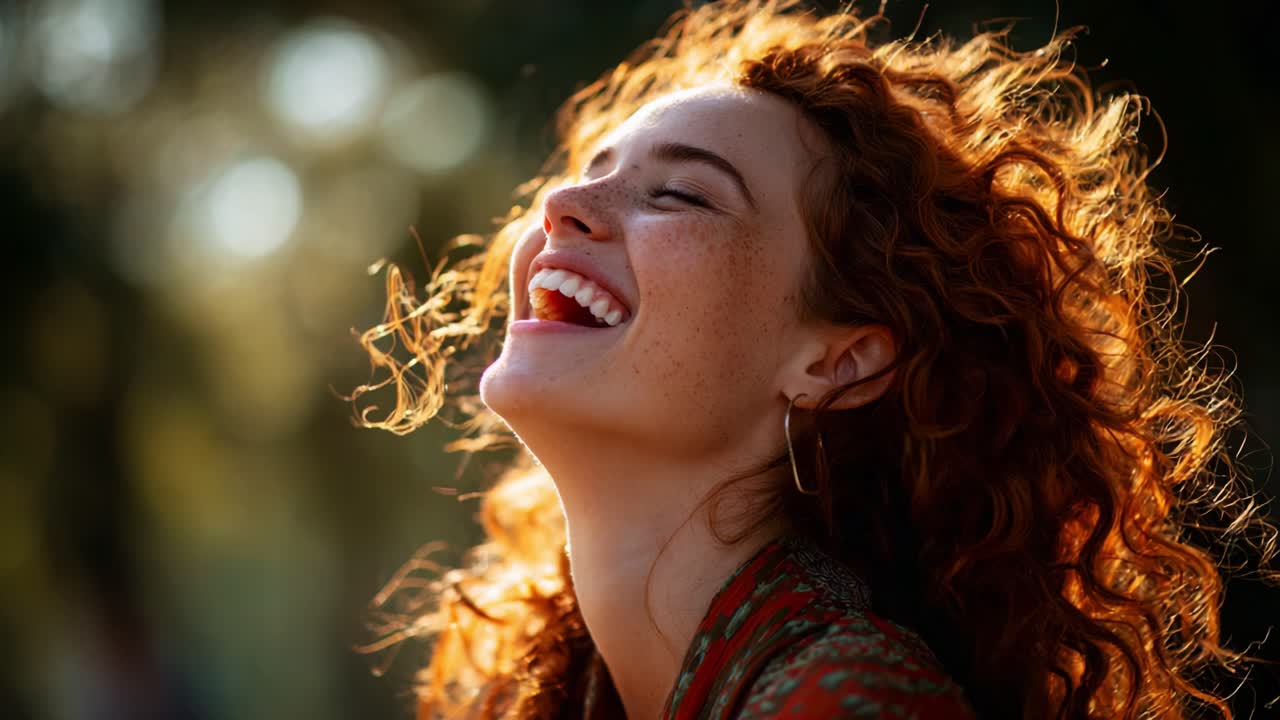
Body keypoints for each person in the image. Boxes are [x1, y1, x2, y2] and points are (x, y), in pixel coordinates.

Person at [349, 1, 1278, 717]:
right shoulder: (550, 692)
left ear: (840, 361)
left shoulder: (848, 702)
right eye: (592, 171)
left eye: (680, 195)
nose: (560, 204)